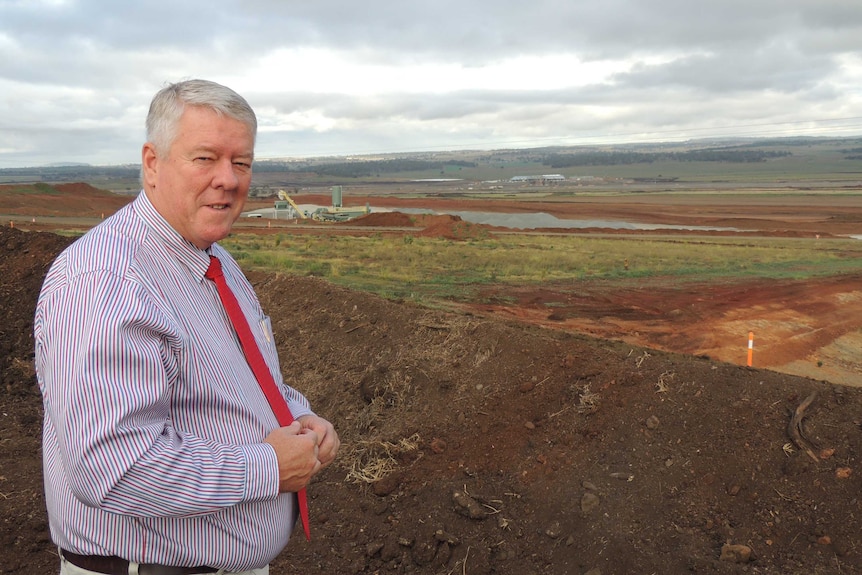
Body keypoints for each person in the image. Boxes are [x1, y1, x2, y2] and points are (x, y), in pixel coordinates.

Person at [34, 79, 339, 575]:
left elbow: (239, 384)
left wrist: (300, 418)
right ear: (152, 163)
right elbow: (112, 470)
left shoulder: (214, 261)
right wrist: (267, 467)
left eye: (241, 162)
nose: (229, 179)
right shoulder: (104, 283)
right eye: (205, 158)